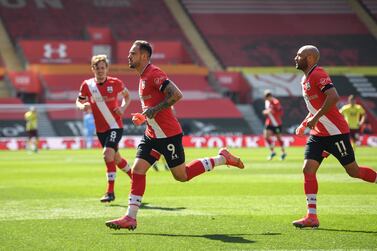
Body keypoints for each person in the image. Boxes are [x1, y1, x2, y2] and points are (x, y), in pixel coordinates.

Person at [105, 40, 245, 230]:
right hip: (152, 135)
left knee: (182, 176)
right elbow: (153, 107)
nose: (129, 56)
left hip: (169, 135)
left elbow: (176, 95)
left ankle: (222, 159)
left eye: (133, 53)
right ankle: (131, 217)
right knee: (138, 170)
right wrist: (145, 117)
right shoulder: (142, 76)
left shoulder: (154, 73)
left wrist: (154, 110)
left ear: (144, 56)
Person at [292, 45, 377, 228]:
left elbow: (333, 97)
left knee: (353, 171)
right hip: (319, 134)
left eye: (299, 55)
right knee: (308, 169)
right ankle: (312, 217)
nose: (295, 58)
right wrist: (306, 122)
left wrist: (315, 118)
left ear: (310, 58)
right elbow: (315, 107)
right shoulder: (304, 78)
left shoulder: (318, 74)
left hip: (336, 133)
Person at [76, 54, 132, 203]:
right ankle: (135, 177)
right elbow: (79, 101)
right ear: (92, 69)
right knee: (116, 158)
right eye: (97, 68)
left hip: (115, 125)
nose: (100, 71)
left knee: (107, 155)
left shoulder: (116, 82)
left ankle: (110, 192)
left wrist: (122, 108)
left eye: (103, 68)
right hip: (100, 129)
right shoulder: (87, 85)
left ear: (107, 69)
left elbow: (128, 96)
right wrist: (83, 106)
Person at [262, 89, 287, 160]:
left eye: (268, 97)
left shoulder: (276, 102)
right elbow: (268, 111)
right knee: (266, 136)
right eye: (266, 97)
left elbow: (281, 112)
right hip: (269, 122)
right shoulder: (266, 102)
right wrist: (266, 112)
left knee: (278, 138)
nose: (267, 98)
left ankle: (283, 152)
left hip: (276, 123)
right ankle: (272, 151)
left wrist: (273, 112)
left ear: (270, 96)